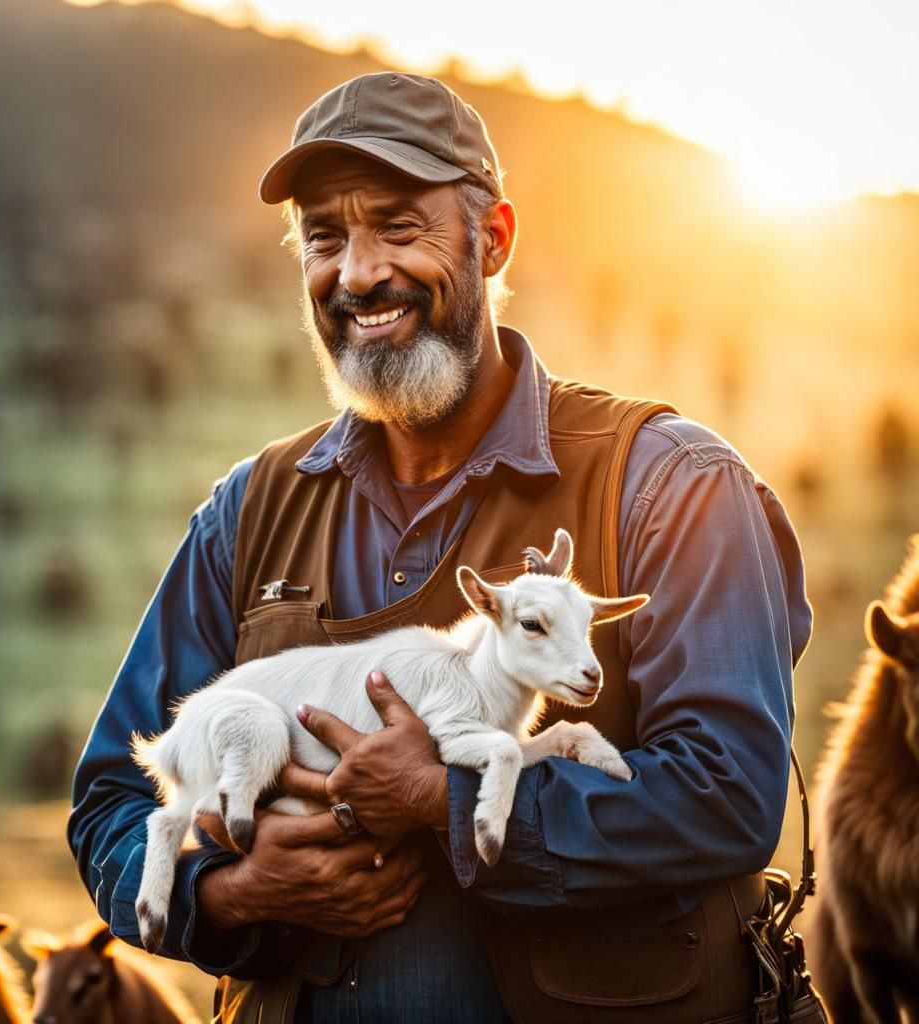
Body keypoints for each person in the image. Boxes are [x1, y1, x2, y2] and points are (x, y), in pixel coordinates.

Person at [68, 73, 813, 1023]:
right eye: (325, 238)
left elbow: (728, 794)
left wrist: (447, 801)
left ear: (494, 238)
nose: (358, 273)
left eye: (398, 226)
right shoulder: (249, 511)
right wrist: (232, 893)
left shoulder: (670, 483)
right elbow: (107, 803)